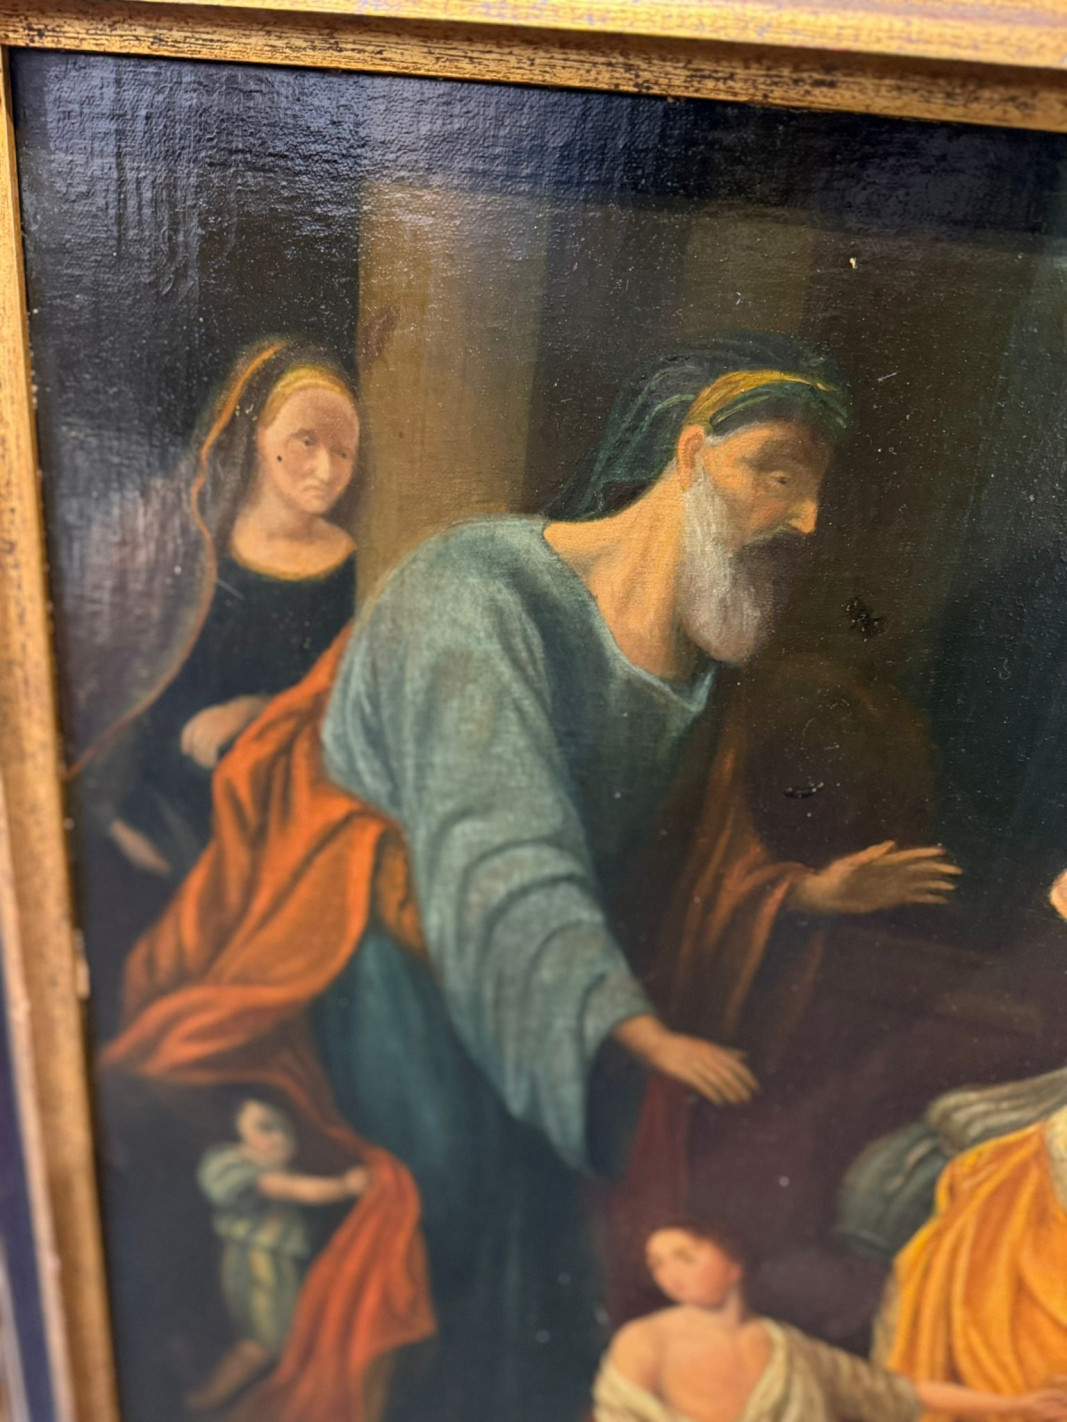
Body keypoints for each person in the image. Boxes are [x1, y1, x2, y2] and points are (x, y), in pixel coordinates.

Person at [104, 334, 959, 1422]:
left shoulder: (699, 662)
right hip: (390, 963)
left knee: (564, 1252)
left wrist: (796, 897)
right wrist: (631, 1027)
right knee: (459, 1228)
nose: (802, 519)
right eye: (776, 474)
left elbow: (677, 862)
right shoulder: (479, 587)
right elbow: (498, 843)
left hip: (549, 988)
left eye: (811, 492)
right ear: (689, 451)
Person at [594, 1222, 1067, 1422]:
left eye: (685, 1256)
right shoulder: (645, 1341)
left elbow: (901, 1394)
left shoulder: (790, 1349)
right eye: (657, 1264)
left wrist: (1013, 1405)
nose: (670, 1274)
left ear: (733, 1265)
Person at [186, 1099, 369, 1412]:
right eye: (265, 1127)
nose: (279, 1137)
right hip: (257, 1262)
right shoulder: (232, 1166)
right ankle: (202, 1403)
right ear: (236, 1131)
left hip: (278, 1264)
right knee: (263, 1343)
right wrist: (344, 1186)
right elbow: (291, 1189)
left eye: (286, 1130)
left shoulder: (281, 1170)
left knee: (288, 1340)